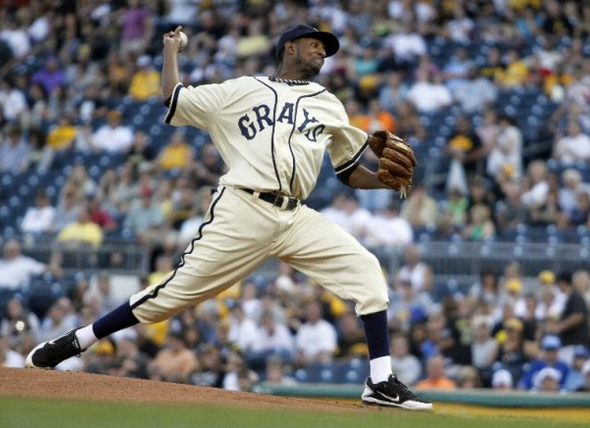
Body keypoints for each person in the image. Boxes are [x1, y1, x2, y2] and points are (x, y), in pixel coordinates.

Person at [26, 24, 431, 411]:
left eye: (325, 47)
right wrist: (170, 51)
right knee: (171, 296)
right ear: (289, 47)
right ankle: (80, 339)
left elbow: (346, 172)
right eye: (315, 43)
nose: (323, 50)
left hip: (296, 217)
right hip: (244, 209)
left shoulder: (328, 102)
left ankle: (380, 381)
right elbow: (174, 98)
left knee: (367, 273)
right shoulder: (241, 89)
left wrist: (384, 182)